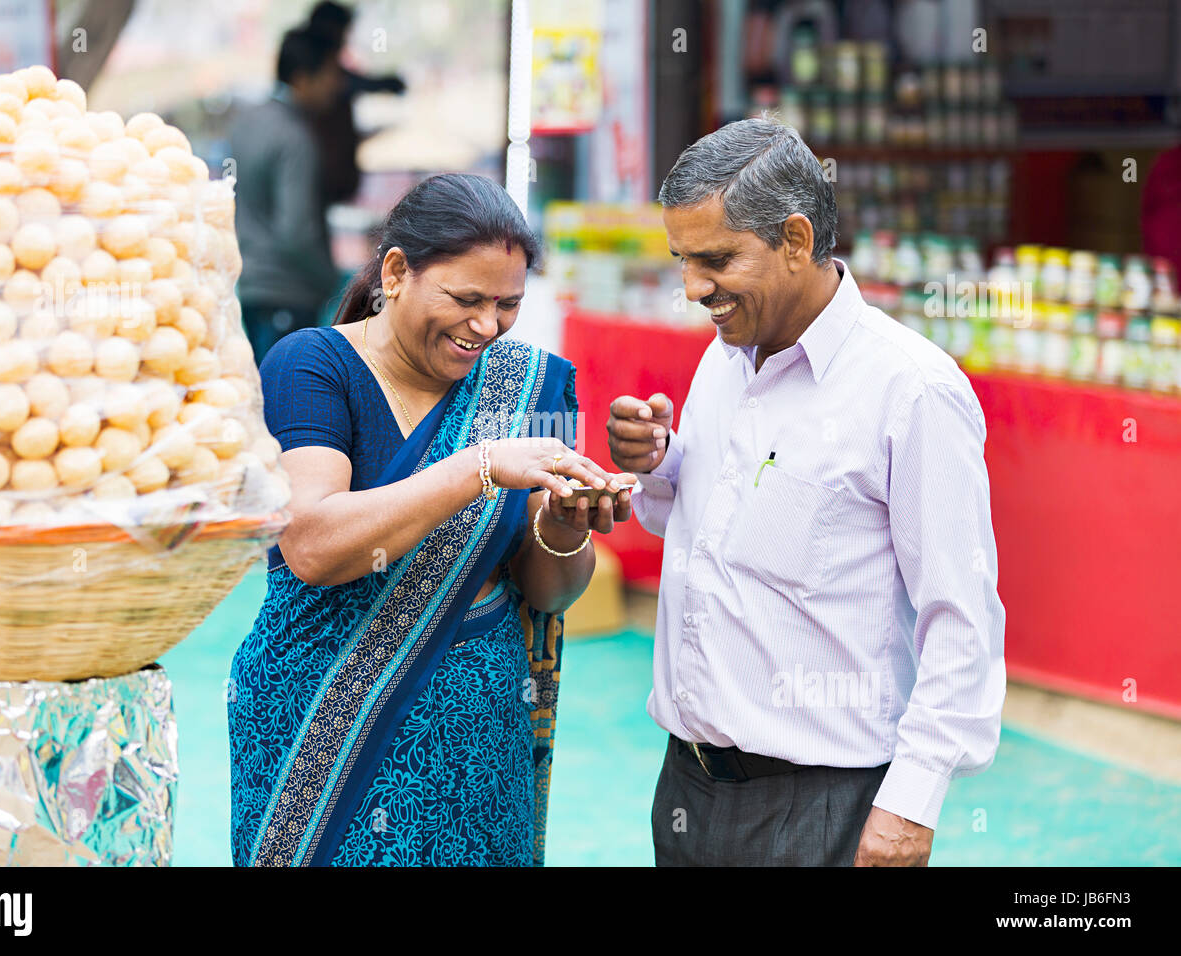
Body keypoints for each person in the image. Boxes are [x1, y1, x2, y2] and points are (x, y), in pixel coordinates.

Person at [606, 118, 1006, 867]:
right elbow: (702, 524)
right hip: (689, 788)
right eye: (682, 260)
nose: (693, 289)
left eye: (716, 259)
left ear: (795, 239)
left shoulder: (911, 391)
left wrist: (910, 805)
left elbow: (962, 621)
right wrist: (659, 461)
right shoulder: (725, 358)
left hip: (825, 807)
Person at [228, 173, 635, 867]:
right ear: (396, 272)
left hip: (476, 740)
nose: (486, 326)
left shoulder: (530, 386)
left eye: (508, 304)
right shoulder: (313, 364)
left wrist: (565, 526)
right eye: (465, 299)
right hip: (321, 725)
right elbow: (313, 545)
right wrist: (477, 468)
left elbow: (550, 593)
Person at [230, 27, 345, 363]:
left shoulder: (246, 122)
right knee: (286, 399)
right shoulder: (295, 136)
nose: (336, 86)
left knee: (260, 393)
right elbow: (296, 230)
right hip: (287, 290)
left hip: (250, 285)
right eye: (330, 75)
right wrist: (331, 279)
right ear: (302, 77)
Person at [304, 1, 407, 207]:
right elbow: (347, 83)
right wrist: (384, 83)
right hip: (319, 171)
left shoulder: (328, 61)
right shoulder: (311, 57)